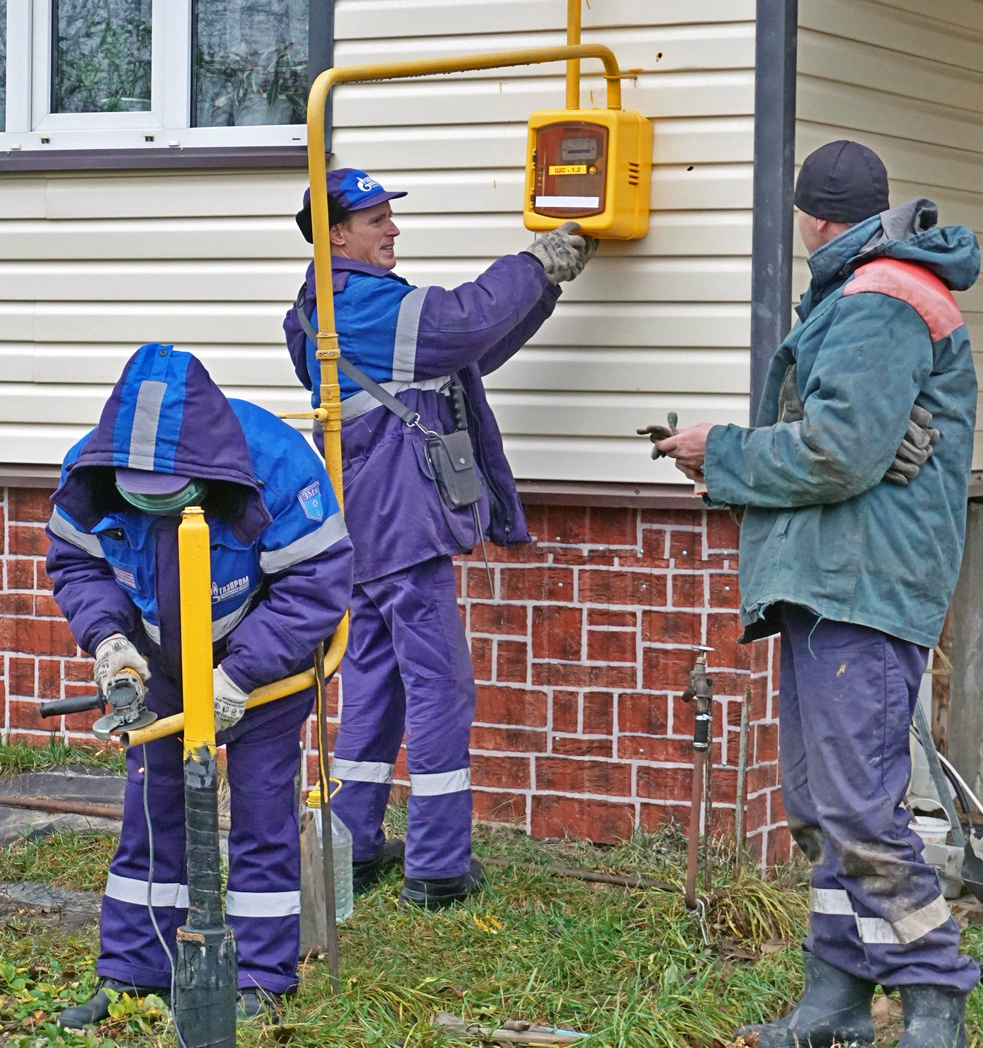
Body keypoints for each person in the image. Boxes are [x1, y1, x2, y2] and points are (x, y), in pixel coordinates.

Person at [652, 141, 980, 1048]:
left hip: (861, 586)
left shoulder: (878, 301)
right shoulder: (863, 291)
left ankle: (934, 998)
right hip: (832, 580)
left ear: (810, 218)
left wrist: (719, 451)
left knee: (859, 809)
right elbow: (845, 445)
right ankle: (834, 1002)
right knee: (823, 809)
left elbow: (839, 453)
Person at [283, 168, 596, 909]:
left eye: (390, 217)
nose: (392, 230)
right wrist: (534, 263)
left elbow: (469, 351)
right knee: (440, 691)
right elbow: (462, 322)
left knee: (375, 690)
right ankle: (438, 868)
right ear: (335, 237)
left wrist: (544, 287)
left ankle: (354, 845)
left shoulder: (332, 305)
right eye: (375, 220)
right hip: (402, 531)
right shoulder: (354, 304)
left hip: (367, 525)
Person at [45, 343, 353, 1026]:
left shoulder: (278, 470)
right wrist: (110, 640)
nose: (153, 508)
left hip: (261, 662)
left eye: (171, 497)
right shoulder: (89, 474)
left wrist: (241, 674)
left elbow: (318, 584)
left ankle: (259, 979)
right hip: (157, 659)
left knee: (263, 810)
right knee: (151, 809)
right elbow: (77, 564)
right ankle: (135, 972)